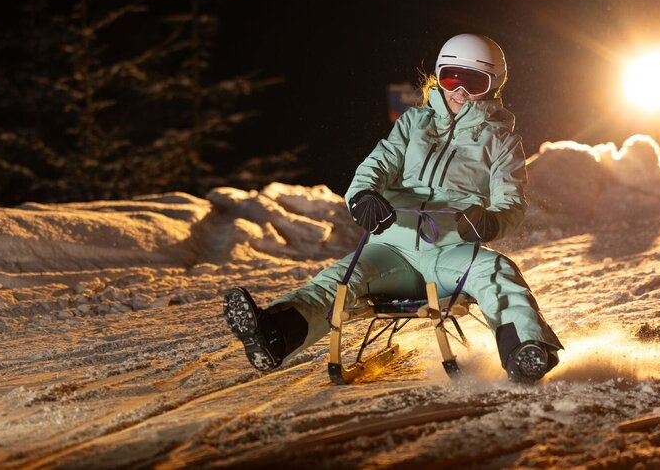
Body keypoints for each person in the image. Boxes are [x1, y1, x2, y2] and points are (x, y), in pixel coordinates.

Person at [222, 33, 563, 383]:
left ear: (493, 85)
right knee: (339, 281)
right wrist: (363, 195)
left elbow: (511, 203)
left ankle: (526, 349)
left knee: (495, 271)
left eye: (474, 81)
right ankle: (274, 334)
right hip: (391, 250)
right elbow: (378, 164)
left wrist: (488, 224)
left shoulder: (501, 140)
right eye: (451, 77)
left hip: (450, 252)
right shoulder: (414, 123)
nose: (460, 90)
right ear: (439, 75)